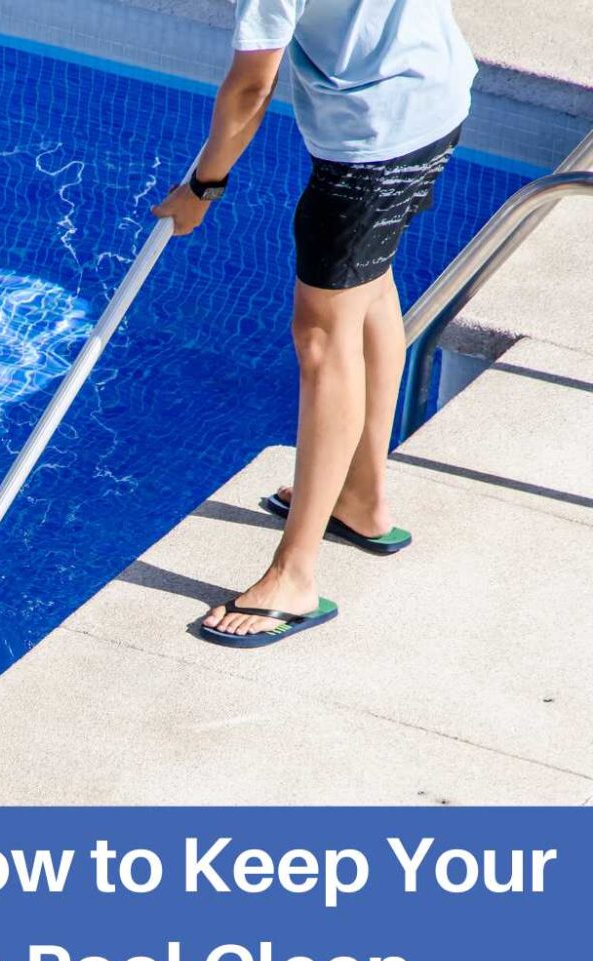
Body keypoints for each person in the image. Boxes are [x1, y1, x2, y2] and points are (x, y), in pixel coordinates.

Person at [153, 0, 477, 648]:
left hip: (371, 147)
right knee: (370, 288)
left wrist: (203, 186)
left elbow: (251, 85)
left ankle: (293, 577)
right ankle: (362, 498)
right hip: (435, 101)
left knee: (322, 340)